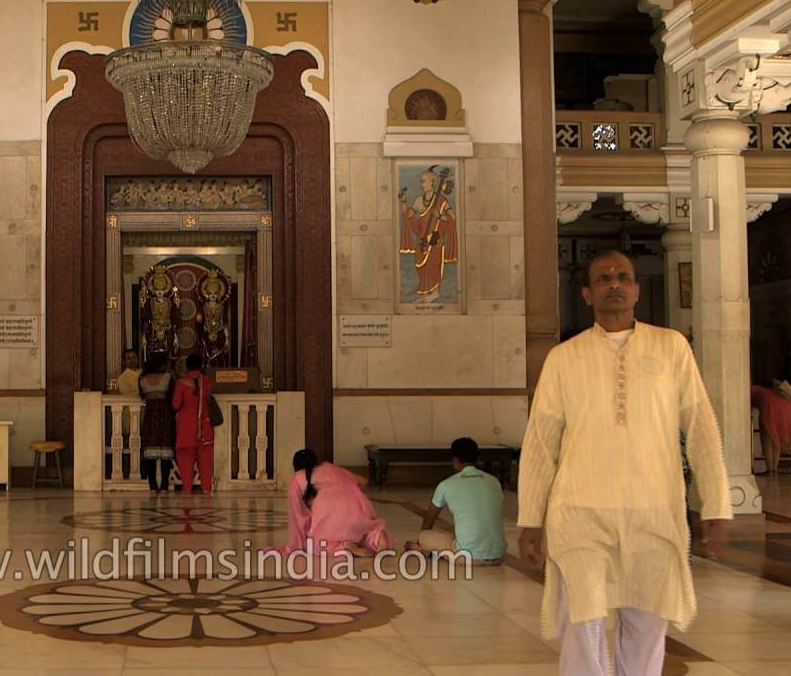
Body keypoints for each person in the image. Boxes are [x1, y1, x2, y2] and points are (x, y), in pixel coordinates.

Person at [517, 250, 731, 676]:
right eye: (602, 278)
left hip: (654, 512)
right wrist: (530, 519)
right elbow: (541, 443)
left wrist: (718, 504)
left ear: (636, 289)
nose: (613, 284)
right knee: (583, 624)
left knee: (648, 625)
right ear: (586, 293)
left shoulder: (671, 348)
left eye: (622, 277)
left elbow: (702, 428)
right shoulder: (564, 358)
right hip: (579, 513)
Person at [269, 449, 392, 557]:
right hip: (361, 511)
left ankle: (345, 546)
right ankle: (377, 537)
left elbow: (298, 516)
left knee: (314, 545)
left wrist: (297, 542)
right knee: (365, 532)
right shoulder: (331, 467)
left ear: (295, 467)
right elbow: (364, 481)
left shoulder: (297, 478)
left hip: (331, 519)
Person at [403, 437, 506, 565]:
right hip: (499, 556)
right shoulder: (494, 481)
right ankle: (432, 551)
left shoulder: (446, 484)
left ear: (455, 460)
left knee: (425, 536)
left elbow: (429, 520)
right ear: (478, 459)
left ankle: (422, 549)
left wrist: (422, 539)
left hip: (467, 556)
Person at [399, 165, 458, 303]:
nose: (421, 184)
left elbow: (452, 218)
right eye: (421, 181)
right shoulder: (419, 200)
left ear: (432, 183)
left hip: (435, 240)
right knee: (421, 265)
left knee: (433, 265)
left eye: (423, 181)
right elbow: (408, 216)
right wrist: (403, 201)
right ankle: (427, 293)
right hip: (422, 240)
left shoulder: (442, 201)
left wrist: (438, 216)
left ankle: (435, 293)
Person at [171, 354, 214, 493]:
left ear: (187, 366)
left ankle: (187, 488)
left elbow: (176, 405)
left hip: (186, 426)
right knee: (205, 458)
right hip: (205, 425)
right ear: (200, 365)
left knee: (185, 458)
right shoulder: (207, 382)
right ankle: (207, 488)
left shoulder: (181, 383)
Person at [138, 354, 175, 493]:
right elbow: (173, 396)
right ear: (162, 365)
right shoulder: (168, 378)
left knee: (149, 452)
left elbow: (142, 396)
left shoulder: (142, 380)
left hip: (150, 415)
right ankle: (164, 485)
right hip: (165, 416)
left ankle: (153, 486)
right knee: (166, 451)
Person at [750, 379, 791, 475]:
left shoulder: (757, 390)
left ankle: (770, 469)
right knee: (776, 441)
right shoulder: (779, 393)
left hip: (768, 410)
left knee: (766, 441)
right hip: (784, 412)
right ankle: (775, 468)